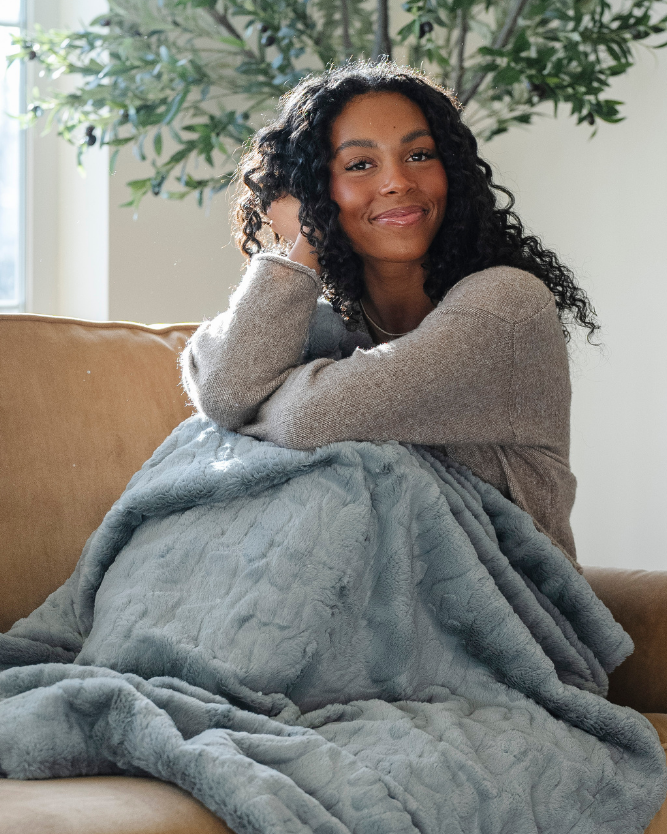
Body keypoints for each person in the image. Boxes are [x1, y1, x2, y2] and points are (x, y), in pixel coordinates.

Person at [180, 60, 599, 563]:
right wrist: (305, 245)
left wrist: (262, 401)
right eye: (360, 164)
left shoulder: (507, 306)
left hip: (505, 592)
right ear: (315, 192)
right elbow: (226, 390)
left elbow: (310, 417)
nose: (398, 181)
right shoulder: (330, 322)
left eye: (420, 155)